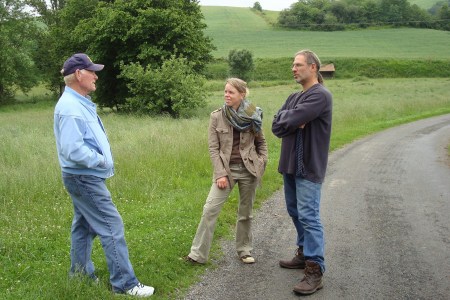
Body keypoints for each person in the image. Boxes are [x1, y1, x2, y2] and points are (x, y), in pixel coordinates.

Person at [53, 53, 154, 297]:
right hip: (84, 176)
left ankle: (79, 274)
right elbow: (72, 149)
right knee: (111, 225)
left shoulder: (78, 102)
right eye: (92, 71)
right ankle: (125, 283)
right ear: (79, 74)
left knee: (83, 226)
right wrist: (100, 160)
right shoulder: (70, 108)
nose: (96, 75)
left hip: (82, 175)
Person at [185, 78, 268, 265]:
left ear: (242, 94)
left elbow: (261, 142)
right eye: (225, 91)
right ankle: (197, 255)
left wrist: (262, 162)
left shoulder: (252, 113)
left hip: (249, 170)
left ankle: (244, 250)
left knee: (245, 213)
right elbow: (213, 149)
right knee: (209, 209)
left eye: (231, 92)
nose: (226, 95)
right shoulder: (217, 116)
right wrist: (220, 173)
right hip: (226, 171)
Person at [271, 50, 332, 295]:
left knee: (309, 216)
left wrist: (291, 120)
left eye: (298, 65)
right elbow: (277, 126)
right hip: (289, 164)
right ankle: (303, 251)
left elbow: (290, 119)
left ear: (313, 67)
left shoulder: (321, 96)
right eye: (293, 65)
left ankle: (315, 269)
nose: (293, 69)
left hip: (308, 166)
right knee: (295, 211)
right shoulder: (293, 97)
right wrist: (291, 120)